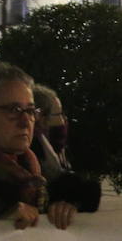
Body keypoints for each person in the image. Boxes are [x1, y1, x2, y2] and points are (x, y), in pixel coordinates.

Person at [0, 62, 84, 230]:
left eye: (31, 111)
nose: (26, 122)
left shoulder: (40, 174)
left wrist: (65, 210)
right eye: (13, 110)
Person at [30, 84, 101, 217]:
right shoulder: (30, 157)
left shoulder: (58, 153)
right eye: (59, 114)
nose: (64, 121)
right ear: (41, 119)